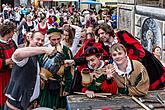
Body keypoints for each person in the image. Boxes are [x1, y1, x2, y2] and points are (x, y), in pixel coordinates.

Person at [95, 23, 165, 90]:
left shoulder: (121, 35)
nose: (101, 36)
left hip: (143, 60)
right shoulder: (103, 45)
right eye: (99, 34)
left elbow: (137, 47)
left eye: (102, 33)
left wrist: (130, 61)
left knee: (151, 84)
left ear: (108, 31)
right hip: (124, 66)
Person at [5, 32, 55, 110]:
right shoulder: (25, 55)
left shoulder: (34, 56)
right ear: (30, 39)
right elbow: (17, 53)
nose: (40, 42)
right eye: (38, 39)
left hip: (28, 104)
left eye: (42, 40)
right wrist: (45, 49)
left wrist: (38, 80)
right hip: (16, 106)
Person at [39, 28, 73, 109]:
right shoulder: (44, 50)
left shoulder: (66, 50)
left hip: (61, 85)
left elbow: (70, 70)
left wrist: (67, 88)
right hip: (46, 85)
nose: (56, 42)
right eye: (53, 39)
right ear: (49, 39)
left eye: (58, 39)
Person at [0, 21, 17, 110]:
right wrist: (6, 62)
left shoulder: (12, 42)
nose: (14, 33)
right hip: (2, 77)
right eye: (13, 31)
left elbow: (17, 53)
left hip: (12, 74)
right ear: (8, 31)